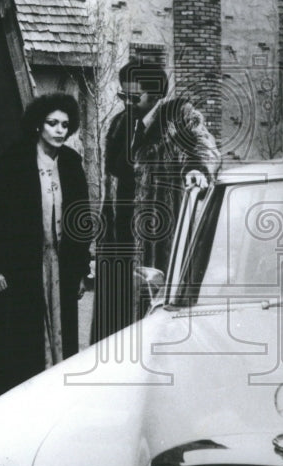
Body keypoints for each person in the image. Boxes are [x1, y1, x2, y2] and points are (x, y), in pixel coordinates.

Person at [93, 58, 221, 341]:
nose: (127, 102)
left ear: (156, 94)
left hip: (157, 241)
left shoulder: (179, 118)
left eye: (134, 97)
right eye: (122, 95)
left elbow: (205, 148)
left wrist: (197, 170)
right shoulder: (119, 125)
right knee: (115, 326)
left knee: (150, 326)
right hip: (118, 241)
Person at [0, 93, 91, 397]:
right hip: (21, 265)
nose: (59, 130)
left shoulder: (71, 162)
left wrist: (79, 269)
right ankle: (21, 397)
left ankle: (56, 391)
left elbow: (81, 220)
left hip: (60, 263)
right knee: (22, 334)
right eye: (53, 123)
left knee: (61, 326)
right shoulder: (15, 161)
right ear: (39, 125)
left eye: (65, 124)